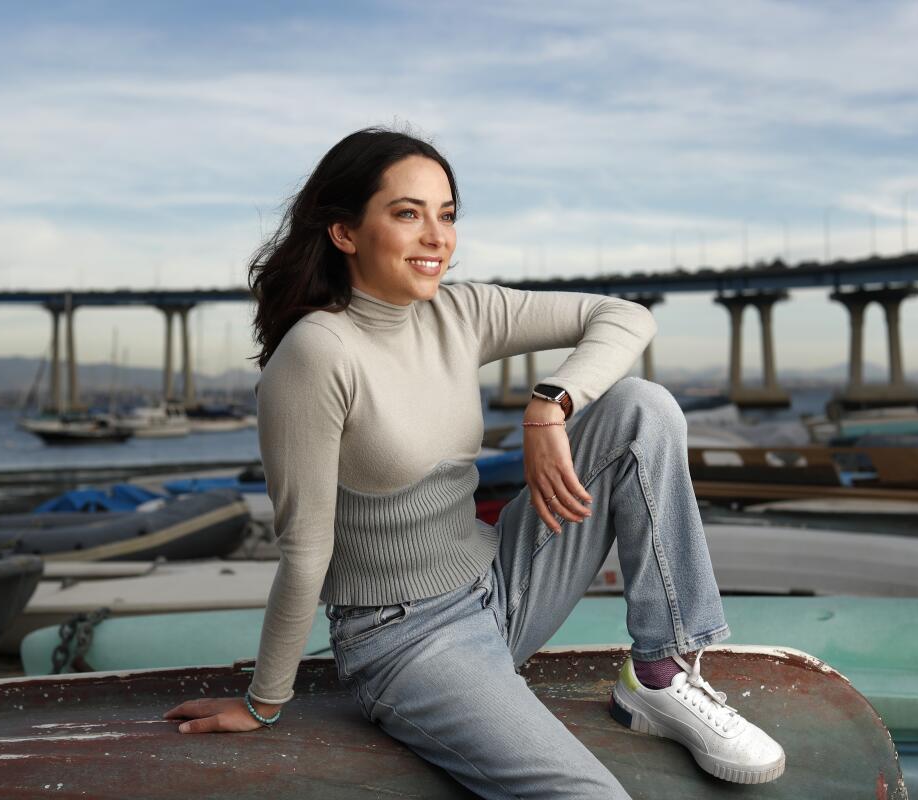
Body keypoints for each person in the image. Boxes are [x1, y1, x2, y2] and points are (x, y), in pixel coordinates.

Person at [164, 128, 785, 797]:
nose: (437, 237)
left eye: (447, 214)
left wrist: (551, 404)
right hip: (404, 638)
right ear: (345, 232)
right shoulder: (316, 355)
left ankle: (661, 673)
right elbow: (306, 552)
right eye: (408, 214)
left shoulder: (461, 312)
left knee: (642, 408)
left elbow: (624, 316)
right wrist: (264, 701)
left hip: (502, 579)